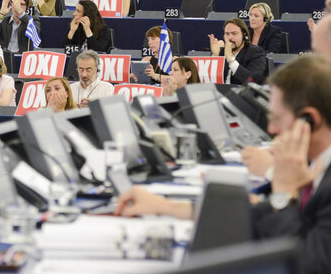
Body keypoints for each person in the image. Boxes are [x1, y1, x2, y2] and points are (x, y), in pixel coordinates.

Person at [117, 55, 331, 274]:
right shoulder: (318, 166)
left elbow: (307, 266)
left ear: (310, 120)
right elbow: (257, 214)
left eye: (276, 118)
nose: (271, 129)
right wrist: (163, 206)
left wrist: (283, 196)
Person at [208, 18, 267, 84]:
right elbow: (207, 80)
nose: (230, 37)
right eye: (227, 34)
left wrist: (230, 59)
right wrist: (215, 57)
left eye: (234, 33)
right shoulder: (220, 52)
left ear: (244, 35)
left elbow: (252, 80)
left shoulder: (255, 52)